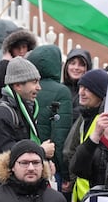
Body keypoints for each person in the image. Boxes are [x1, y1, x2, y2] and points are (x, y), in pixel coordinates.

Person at [0, 56, 54, 190]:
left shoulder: (25, 110)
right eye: (34, 82)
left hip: (18, 189)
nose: (39, 87)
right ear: (18, 85)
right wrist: (41, 152)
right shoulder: (0, 114)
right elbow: (4, 157)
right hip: (3, 192)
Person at [26, 44, 73, 191]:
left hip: (26, 161)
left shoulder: (26, 88)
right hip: (50, 165)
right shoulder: (62, 92)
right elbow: (60, 135)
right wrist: (65, 173)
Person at [61, 68, 108, 202]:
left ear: (100, 93)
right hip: (84, 198)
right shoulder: (85, 117)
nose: (81, 92)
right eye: (80, 87)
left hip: (99, 199)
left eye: (87, 89)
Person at [0, 28, 38, 105]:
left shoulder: (34, 65)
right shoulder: (1, 66)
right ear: (10, 49)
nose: (21, 51)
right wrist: (5, 63)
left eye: (24, 47)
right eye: (17, 48)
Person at [61, 48, 92, 122]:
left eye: (81, 65)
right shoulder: (60, 90)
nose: (76, 68)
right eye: (73, 63)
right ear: (67, 66)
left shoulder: (91, 93)